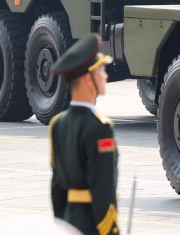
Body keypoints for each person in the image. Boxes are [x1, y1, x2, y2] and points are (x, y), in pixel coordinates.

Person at [48, 33, 120, 235]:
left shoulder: (57, 124)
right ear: (88, 79)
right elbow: (102, 189)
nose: (105, 76)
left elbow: (56, 189)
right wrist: (110, 231)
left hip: (69, 223)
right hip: (93, 225)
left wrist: (62, 226)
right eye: (101, 71)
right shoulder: (99, 128)